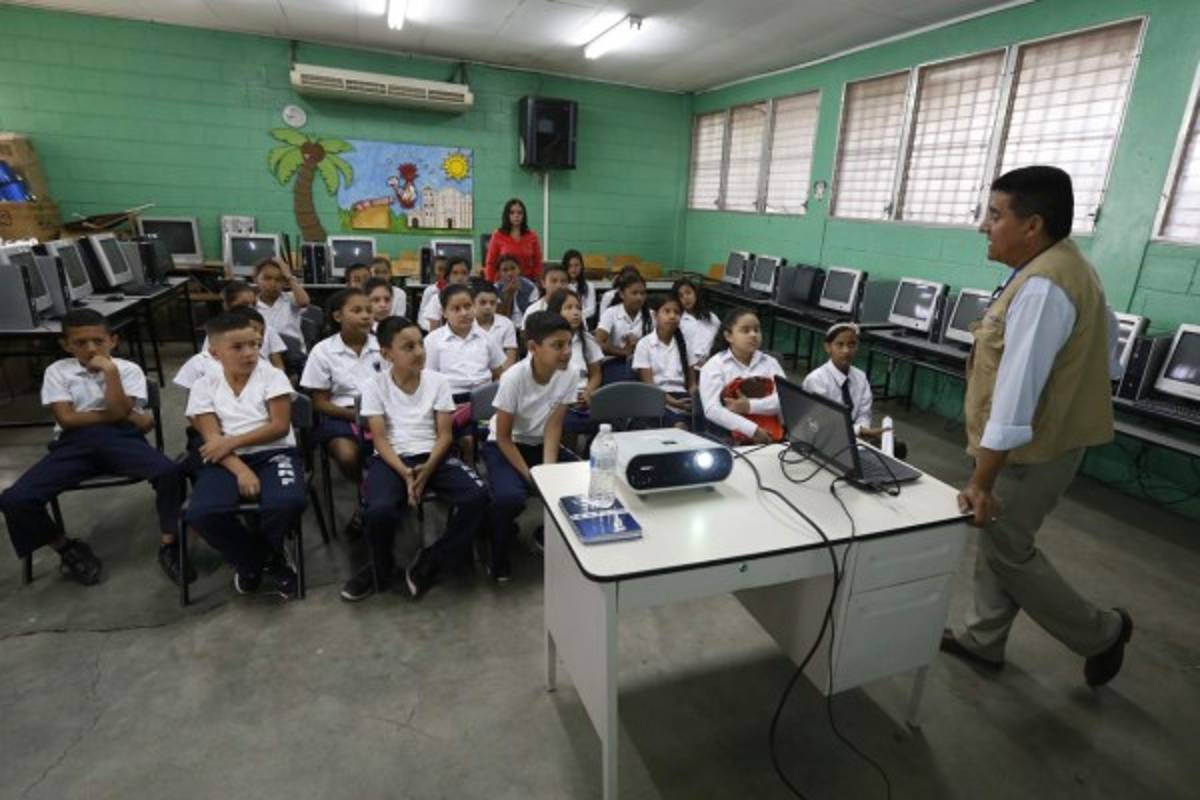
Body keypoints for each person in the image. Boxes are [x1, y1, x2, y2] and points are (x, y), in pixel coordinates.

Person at [940, 165, 1132, 687]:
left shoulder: (1044, 286)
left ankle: (1102, 633)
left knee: (1010, 552)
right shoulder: (1065, 267)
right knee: (999, 540)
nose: (984, 225)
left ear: (1032, 225)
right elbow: (1109, 350)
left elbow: (1016, 393)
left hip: (1033, 451)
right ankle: (984, 639)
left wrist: (982, 477)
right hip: (1048, 440)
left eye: (996, 214)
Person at [0, 309, 187, 586]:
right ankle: (66, 548)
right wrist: (122, 415)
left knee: (170, 472)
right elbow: (67, 418)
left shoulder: (126, 369)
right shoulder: (58, 371)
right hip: (75, 443)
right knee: (15, 498)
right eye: (80, 343)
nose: (91, 348)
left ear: (113, 340)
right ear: (66, 345)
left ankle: (169, 543)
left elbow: (121, 414)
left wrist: (110, 372)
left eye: (98, 341)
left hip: (121, 439)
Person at [341, 316, 489, 602]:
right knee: (378, 511)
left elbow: (445, 435)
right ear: (387, 354)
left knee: (478, 496)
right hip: (392, 459)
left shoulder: (437, 382)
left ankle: (433, 558)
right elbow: (380, 439)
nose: (419, 352)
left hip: (433, 455)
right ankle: (379, 568)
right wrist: (406, 473)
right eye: (408, 347)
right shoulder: (375, 386)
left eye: (420, 344)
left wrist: (428, 468)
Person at [184, 313, 306, 599]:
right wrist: (240, 469)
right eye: (238, 347)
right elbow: (212, 441)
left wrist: (233, 441)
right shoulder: (204, 386)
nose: (249, 353)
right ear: (215, 354)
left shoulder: (272, 376)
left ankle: (267, 554)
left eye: (254, 344)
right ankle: (257, 560)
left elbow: (278, 426)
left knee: (289, 502)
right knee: (202, 513)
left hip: (274, 452)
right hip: (228, 460)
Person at [481, 311, 577, 582]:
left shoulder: (569, 373)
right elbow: (503, 437)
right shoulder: (514, 377)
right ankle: (497, 555)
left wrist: (547, 471)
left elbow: (554, 426)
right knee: (509, 497)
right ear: (533, 347)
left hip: (539, 443)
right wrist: (530, 476)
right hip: (505, 444)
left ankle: (550, 536)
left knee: (582, 480)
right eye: (557, 345)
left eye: (569, 344)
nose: (566, 352)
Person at [299, 288, 381, 535]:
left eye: (369, 310)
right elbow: (319, 402)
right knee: (346, 455)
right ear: (337, 316)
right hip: (340, 413)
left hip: (382, 413)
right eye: (357, 311)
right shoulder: (323, 351)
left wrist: (375, 416)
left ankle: (381, 497)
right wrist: (356, 417)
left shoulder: (383, 345)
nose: (366, 316)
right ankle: (367, 490)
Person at [424, 283, 506, 462]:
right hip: (451, 403)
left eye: (468, 306)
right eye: (456, 308)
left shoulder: (485, 338)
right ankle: (470, 470)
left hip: (485, 402)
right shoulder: (433, 341)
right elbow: (427, 380)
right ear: (444, 313)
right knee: (468, 440)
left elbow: (500, 372)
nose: (464, 313)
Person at [699, 308, 785, 444]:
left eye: (757, 330)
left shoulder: (770, 363)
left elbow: (783, 399)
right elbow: (712, 409)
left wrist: (750, 406)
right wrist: (752, 430)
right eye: (745, 330)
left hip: (771, 432)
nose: (753, 335)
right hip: (728, 438)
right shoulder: (715, 365)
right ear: (729, 336)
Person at [633, 293, 697, 428]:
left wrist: (695, 400)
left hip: (682, 397)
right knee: (679, 426)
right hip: (656, 398)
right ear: (655, 316)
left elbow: (692, 384)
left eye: (677, 312)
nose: (672, 316)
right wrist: (673, 403)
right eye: (667, 311)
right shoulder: (644, 344)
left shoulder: (685, 345)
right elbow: (649, 385)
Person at [547, 288, 602, 440]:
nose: (576, 312)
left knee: (608, 422)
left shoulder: (587, 340)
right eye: (568, 308)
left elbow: (596, 374)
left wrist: (588, 392)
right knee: (565, 424)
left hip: (583, 399)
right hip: (556, 399)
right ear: (556, 312)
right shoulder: (545, 341)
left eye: (578, 308)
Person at [213, 280, 286, 370]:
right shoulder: (216, 332)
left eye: (253, 304)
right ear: (227, 305)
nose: (250, 308)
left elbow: (278, 365)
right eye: (244, 304)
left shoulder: (268, 329)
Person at [595, 272, 652, 384]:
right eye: (634, 293)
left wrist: (639, 346)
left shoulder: (650, 316)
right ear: (622, 294)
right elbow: (598, 342)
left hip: (642, 364)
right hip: (614, 361)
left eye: (643, 293)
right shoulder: (611, 313)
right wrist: (622, 352)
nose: (639, 297)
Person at [254, 257, 310, 351]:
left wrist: (289, 276)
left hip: (292, 352)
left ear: (285, 283)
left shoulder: (291, 298)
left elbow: (304, 302)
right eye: (267, 278)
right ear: (256, 279)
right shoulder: (252, 303)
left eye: (278, 280)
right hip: (264, 352)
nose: (272, 283)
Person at [484, 197, 542, 282]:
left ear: (524, 215)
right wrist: (490, 284)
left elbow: (537, 263)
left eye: (520, 212)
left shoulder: (532, 236)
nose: (516, 215)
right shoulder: (497, 235)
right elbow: (491, 263)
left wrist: (536, 282)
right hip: (503, 282)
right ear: (507, 215)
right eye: (512, 212)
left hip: (527, 282)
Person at [472, 279, 518, 372]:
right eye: (483, 302)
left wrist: (500, 379)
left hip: (501, 377)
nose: (488, 307)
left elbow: (510, 357)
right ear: (473, 303)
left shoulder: (506, 323)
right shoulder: (466, 324)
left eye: (492, 303)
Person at [674, 276, 720, 369]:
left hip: (713, 364)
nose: (686, 298)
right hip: (690, 367)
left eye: (688, 293)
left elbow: (721, 339)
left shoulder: (711, 317)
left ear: (695, 293)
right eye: (681, 296)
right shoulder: (679, 321)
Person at [419, 256, 470, 332]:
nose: (460, 277)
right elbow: (434, 332)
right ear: (448, 276)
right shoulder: (437, 299)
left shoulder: (474, 298)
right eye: (455, 273)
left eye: (464, 273)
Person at [520, 262, 571, 330]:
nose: (559, 286)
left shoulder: (574, 307)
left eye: (563, 281)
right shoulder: (533, 310)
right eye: (554, 281)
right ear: (543, 283)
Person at [495, 254, 539, 328]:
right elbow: (500, 318)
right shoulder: (495, 289)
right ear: (499, 273)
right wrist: (508, 295)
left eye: (513, 268)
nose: (510, 273)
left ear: (519, 269)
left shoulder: (531, 288)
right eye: (505, 270)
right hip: (504, 327)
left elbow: (533, 316)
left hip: (526, 326)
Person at [562, 248, 596, 321]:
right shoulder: (561, 285)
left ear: (581, 266)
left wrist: (576, 315)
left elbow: (591, 309)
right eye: (570, 265)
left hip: (582, 321)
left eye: (576, 265)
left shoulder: (589, 285)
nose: (573, 269)